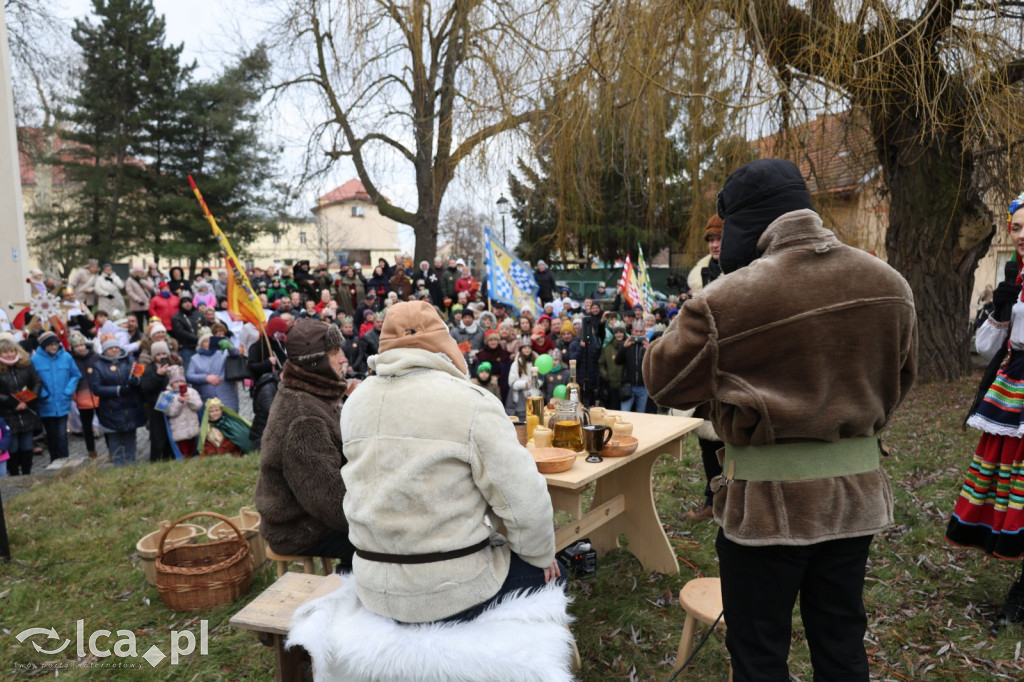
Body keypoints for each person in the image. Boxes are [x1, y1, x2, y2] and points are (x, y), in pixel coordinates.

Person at [643, 158, 917, 681]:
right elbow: (900, 382)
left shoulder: (727, 298)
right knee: (841, 644)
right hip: (854, 502)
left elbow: (663, 380)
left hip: (768, 509)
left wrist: (709, 305)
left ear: (742, 223)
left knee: (759, 654)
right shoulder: (890, 283)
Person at [340, 301, 560, 624]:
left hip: (372, 584)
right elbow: (526, 501)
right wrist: (540, 556)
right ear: (443, 344)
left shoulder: (354, 402)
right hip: (450, 591)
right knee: (558, 572)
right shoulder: (471, 402)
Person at [946, 191, 1024, 632]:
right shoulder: (1015, 277)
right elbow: (986, 347)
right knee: (1016, 487)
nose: (1022, 235)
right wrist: (1001, 304)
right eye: (1016, 227)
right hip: (1015, 390)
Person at [255, 318, 355, 565]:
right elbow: (332, 505)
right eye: (334, 353)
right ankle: (348, 597)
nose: (343, 358)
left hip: (314, 513)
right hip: (299, 528)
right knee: (380, 543)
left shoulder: (313, 392)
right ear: (317, 363)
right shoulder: (304, 418)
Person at [681, 214, 726, 523]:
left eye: (719, 239)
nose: (714, 244)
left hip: (734, 367)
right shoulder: (703, 276)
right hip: (706, 369)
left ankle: (735, 503)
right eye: (710, 240)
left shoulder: (746, 270)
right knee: (707, 440)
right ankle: (713, 500)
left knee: (733, 441)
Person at [88, 337, 147, 466]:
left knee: (131, 437)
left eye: (116, 347)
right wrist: (118, 390)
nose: (114, 350)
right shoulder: (98, 366)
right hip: (111, 409)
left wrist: (136, 381)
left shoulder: (130, 360)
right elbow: (96, 388)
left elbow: (140, 375)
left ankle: (131, 463)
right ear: (105, 351)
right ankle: (118, 465)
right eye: (110, 348)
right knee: (115, 438)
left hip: (130, 407)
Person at [31, 331, 81, 464]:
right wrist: (43, 394)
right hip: (46, 403)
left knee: (62, 434)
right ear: (43, 346)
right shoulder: (35, 360)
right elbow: (33, 380)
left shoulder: (66, 357)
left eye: (55, 344)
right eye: (50, 345)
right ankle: (55, 461)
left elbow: (75, 375)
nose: (54, 347)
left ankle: (65, 460)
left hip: (63, 402)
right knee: (51, 435)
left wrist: (68, 391)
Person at [0, 339, 43, 475]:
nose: (9, 355)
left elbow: (37, 382)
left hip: (27, 411)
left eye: (11, 351)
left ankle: (27, 473)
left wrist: (27, 401)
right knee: (12, 446)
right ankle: (14, 474)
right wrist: (14, 403)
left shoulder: (26, 365)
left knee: (27, 444)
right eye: (5, 352)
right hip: (8, 413)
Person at [186, 327, 240, 413]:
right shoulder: (195, 358)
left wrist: (230, 346)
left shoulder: (223, 352)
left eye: (211, 340)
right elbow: (189, 376)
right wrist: (206, 378)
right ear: (201, 344)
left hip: (226, 394)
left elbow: (236, 354)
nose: (209, 343)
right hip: (207, 397)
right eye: (206, 341)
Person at [68, 331, 101, 460]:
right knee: (86, 427)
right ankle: (91, 450)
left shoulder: (96, 357)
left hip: (98, 395)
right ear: (73, 348)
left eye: (82, 345)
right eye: (77, 346)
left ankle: (110, 449)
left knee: (104, 423)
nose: (80, 348)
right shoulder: (72, 360)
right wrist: (75, 396)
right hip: (82, 397)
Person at [615, 322, 649, 412]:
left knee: (641, 413)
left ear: (644, 332)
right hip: (629, 386)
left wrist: (649, 350)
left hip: (643, 387)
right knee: (625, 412)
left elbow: (655, 364)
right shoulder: (626, 344)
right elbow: (617, 361)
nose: (638, 334)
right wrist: (624, 347)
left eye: (641, 331)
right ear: (632, 331)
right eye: (636, 331)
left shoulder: (648, 345)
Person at [125, 265, 155, 329]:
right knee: (139, 322)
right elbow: (129, 291)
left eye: (140, 271)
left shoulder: (147, 277)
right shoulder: (130, 280)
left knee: (150, 321)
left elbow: (151, 287)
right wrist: (138, 300)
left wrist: (141, 280)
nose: (139, 273)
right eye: (137, 271)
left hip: (147, 303)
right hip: (136, 304)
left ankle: (150, 334)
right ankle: (140, 336)